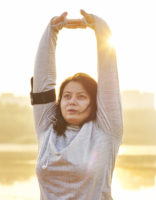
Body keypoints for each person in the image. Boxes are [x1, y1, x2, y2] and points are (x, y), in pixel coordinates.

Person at [30, 9, 123, 200]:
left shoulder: (106, 131)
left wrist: (101, 29)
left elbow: (109, 80)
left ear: (94, 102)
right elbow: (42, 83)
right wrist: (52, 31)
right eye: (67, 96)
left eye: (81, 96)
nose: (72, 101)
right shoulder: (47, 129)